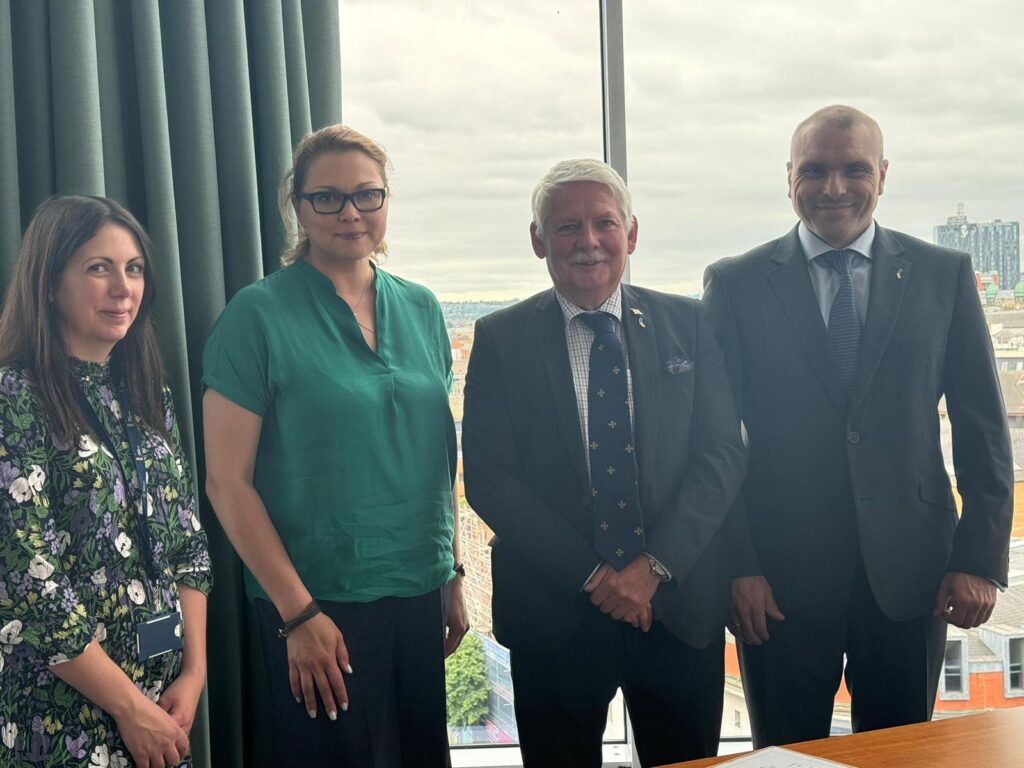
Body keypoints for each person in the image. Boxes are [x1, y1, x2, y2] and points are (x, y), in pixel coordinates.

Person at [703, 105, 1014, 747]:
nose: (834, 187)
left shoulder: (943, 276)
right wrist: (737, 565)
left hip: (913, 576)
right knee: (787, 758)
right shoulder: (735, 284)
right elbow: (713, 439)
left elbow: (983, 427)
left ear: (883, 175)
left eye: (854, 169)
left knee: (898, 754)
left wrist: (979, 559)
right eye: (815, 170)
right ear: (789, 176)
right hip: (776, 584)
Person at [462, 158, 746, 767]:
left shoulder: (687, 323)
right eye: (566, 227)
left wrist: (654, 567)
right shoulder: (501, 338)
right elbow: (489, 478)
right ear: (539, 240)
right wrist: (597, 576)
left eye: (604, 223)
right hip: (554, 613)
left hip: (677, 609)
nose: (587, 241)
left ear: (631, 234)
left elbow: (722, 453)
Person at [202, 124, 467, 767]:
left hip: (419, 591)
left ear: (386, 200)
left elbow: (437, 461)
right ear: (298, 206)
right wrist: (298, 615)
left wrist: (453, 576)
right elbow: (227, 482)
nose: (350, 212)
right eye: (327, 198)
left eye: (366, 195)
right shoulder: (255, 315)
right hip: (318, 603)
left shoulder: (423, 308)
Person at [0, 196, 212, 767]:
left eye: (134, 268)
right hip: (59, 713)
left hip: (163, 704)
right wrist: (128, 709)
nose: (124, 288)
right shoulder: (13, 397)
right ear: (49, 284)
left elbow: (188, 547)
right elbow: (27, 580)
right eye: (99, 268)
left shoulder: (147, 393)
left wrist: (193, 674)